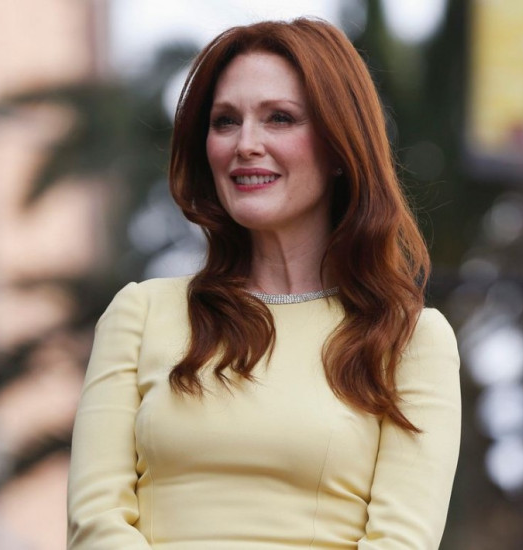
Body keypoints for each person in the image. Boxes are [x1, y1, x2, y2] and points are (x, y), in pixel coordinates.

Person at [67, 17, 461, 550]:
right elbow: (96, 524)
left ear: (340, 145)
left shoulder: (409, 340)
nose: (245, 144)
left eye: (280, 118)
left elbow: (400, 542)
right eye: (225, 121)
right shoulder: (140, 314)